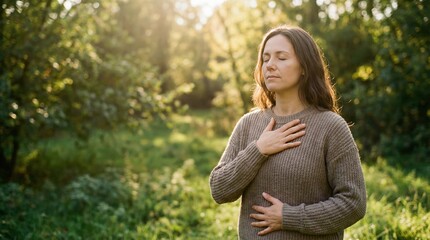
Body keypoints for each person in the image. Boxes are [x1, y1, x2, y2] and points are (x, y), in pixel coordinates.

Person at [209, 25, 366, 239]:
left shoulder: (331, 126)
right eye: (266, 58)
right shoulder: (248, 124)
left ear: (304, 67)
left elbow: (353, 203)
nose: (270, 65)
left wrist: (289, 217)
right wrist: (258, 149)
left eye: (281, 58)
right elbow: (219, 190)